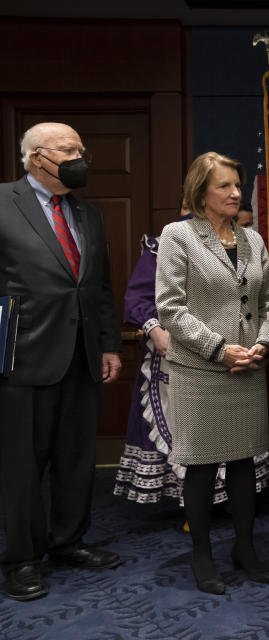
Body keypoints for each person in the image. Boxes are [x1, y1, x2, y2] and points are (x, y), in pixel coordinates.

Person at [0, 122, 123, 601]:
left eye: (81, 148)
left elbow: (99, 287)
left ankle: (68, 542)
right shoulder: (3, 201)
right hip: (21, 357)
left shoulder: (87, 214)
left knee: (76, 459)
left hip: (82, 356)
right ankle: (23, 559)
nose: (80, 156)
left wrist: (110, 343)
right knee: (23, 465)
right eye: (69, 149)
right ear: (35, 157)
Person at [156, 151, 269, 595]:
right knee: (204, 466)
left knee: (246, 461)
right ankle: (202, 555)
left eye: (237, 185)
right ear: (200, 192)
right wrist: (217, 349)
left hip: (247, 368)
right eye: (224, 186)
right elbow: (170, 307)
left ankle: (245, 548)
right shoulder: (179, 235)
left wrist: (263, 345)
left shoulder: (253, 240)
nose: (235, 193)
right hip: (201, 371)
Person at [114, 214, 269, 510]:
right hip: (181, 357)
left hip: (237, 357)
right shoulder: (167, 241)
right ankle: (192, 512)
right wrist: (155, 329)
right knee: (192, 446)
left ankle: (232, 513)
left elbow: (263, 303)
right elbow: (144, 300)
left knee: (238, 452)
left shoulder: (248, 242)